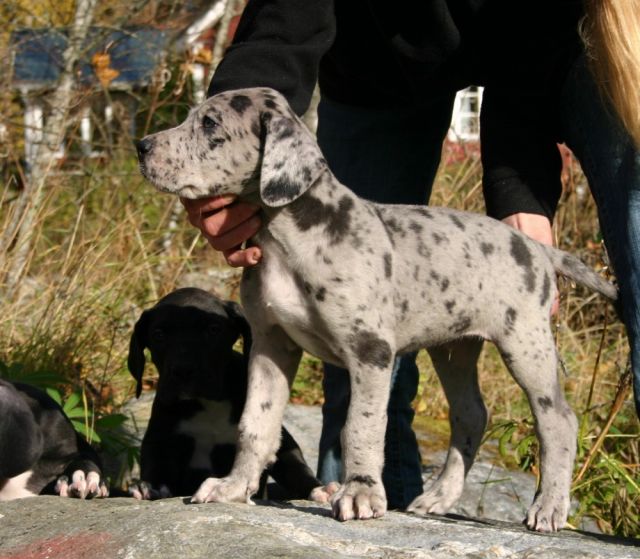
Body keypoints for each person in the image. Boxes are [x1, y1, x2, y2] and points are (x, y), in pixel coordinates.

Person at [181, 0, 640, 510]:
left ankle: (367, 485)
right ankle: (366, 520)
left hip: (563, 37)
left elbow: (532, 34)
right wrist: (221, 143)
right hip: (376, 57)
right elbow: (279, 30)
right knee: (350, 331)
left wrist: (519, 187)